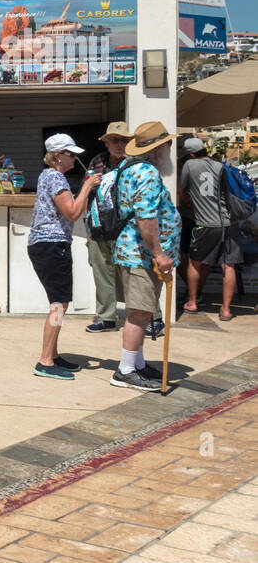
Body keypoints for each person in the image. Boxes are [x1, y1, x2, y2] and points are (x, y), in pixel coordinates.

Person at [110, 121, 181, 391]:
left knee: (141, 312)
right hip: (140, 256)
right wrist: (160, 253)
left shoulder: (129, 169)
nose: (170, 148)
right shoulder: (148, 174)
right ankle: (125, 371)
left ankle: (137, 364)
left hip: (134, 253)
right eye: (168, 144)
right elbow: (146, 218)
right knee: (139, 314)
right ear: (159, 147)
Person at [28, 133, 102, 379]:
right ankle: (45, 361)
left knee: (59, 303)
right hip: (51, 244)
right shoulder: (55, 177)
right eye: (71, 154)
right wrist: (87, 187)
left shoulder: (47, 175)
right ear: (58, 157)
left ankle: (54, 355)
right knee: (59, 305)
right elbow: (72, 213)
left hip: (47, 244)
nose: (75, 158)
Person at [85, 122, 164, 337]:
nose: (119, 144)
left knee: (138, 276)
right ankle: (106, 317)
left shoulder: (138, 164)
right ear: (107, 142)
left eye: (124, 140)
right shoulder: (97, 162)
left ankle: (153, 318)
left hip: (127, 231)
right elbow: (88, 193)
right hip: (99, 227)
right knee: (102, 274)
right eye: (115, 140)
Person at [180, 136, 242, 321]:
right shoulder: (220, 165)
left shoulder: (189, 166)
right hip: (229, 223)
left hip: (205, 224)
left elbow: (182, 189)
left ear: (191, 154)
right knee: (228, 266)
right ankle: (226, 310)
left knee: (194, 262)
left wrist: (191, 202)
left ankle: (192, 302)